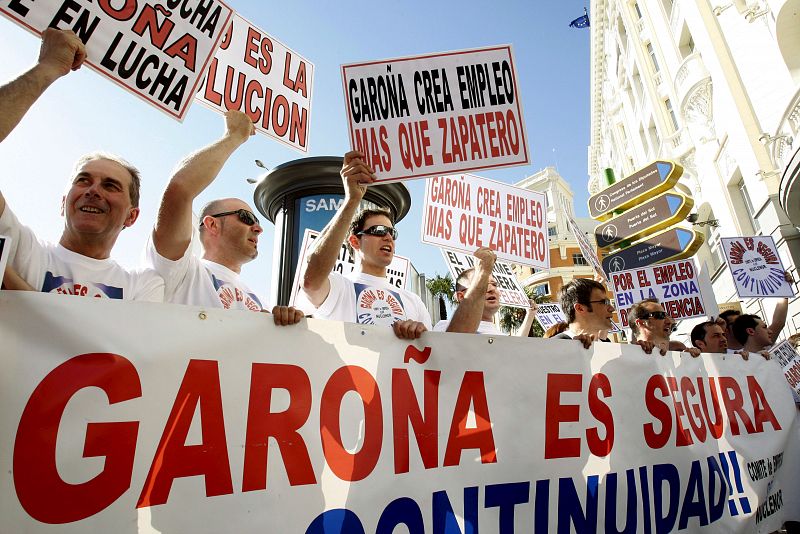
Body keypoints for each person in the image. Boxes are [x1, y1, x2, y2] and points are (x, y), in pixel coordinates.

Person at [0, 29, 163, 301]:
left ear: (131, 217)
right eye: (83, 180)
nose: (93, 190)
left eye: (110, 186)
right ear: (64, 201)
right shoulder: (21, 248)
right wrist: (48, 67)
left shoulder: (142, 286)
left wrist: (19, 287)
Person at [147, 110, 301, 325]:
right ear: (212, 224)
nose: (258, 228)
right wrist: (234, 137)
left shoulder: (260, 302)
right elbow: (180, 189)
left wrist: (290, 327)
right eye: (246, 217)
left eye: (257, 222)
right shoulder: (180, 271)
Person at [302, 151, 431, 339]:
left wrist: (422, 335)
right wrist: (352, 200)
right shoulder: (339, 287)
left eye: (392, 232)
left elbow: (432, 355)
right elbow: (311, 281)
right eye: (379, 231)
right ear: (355, 241)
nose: (388, 237)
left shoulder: (414, 302)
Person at [432, 247, 535, 335]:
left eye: (494, 285)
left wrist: (530, 314)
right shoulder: (444, 328)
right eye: (483, 285)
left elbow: (517, 348)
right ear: (461, 297)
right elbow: (454, 343)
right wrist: (482, 272)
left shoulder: (501, 336)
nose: (491, 289)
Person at [720, 271, 794, 350]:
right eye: (736, 323)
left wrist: (785, 290)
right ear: (725, 330)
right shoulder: (722, 356)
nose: (742, 324)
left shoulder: (759, 342)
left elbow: (778, 323)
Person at [627, 299, 700, 357]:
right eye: (660, 316)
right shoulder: (628, 356)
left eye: (667, 316)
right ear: (640, 323)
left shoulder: (678, 348)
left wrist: (693, 360)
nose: (669, 322)